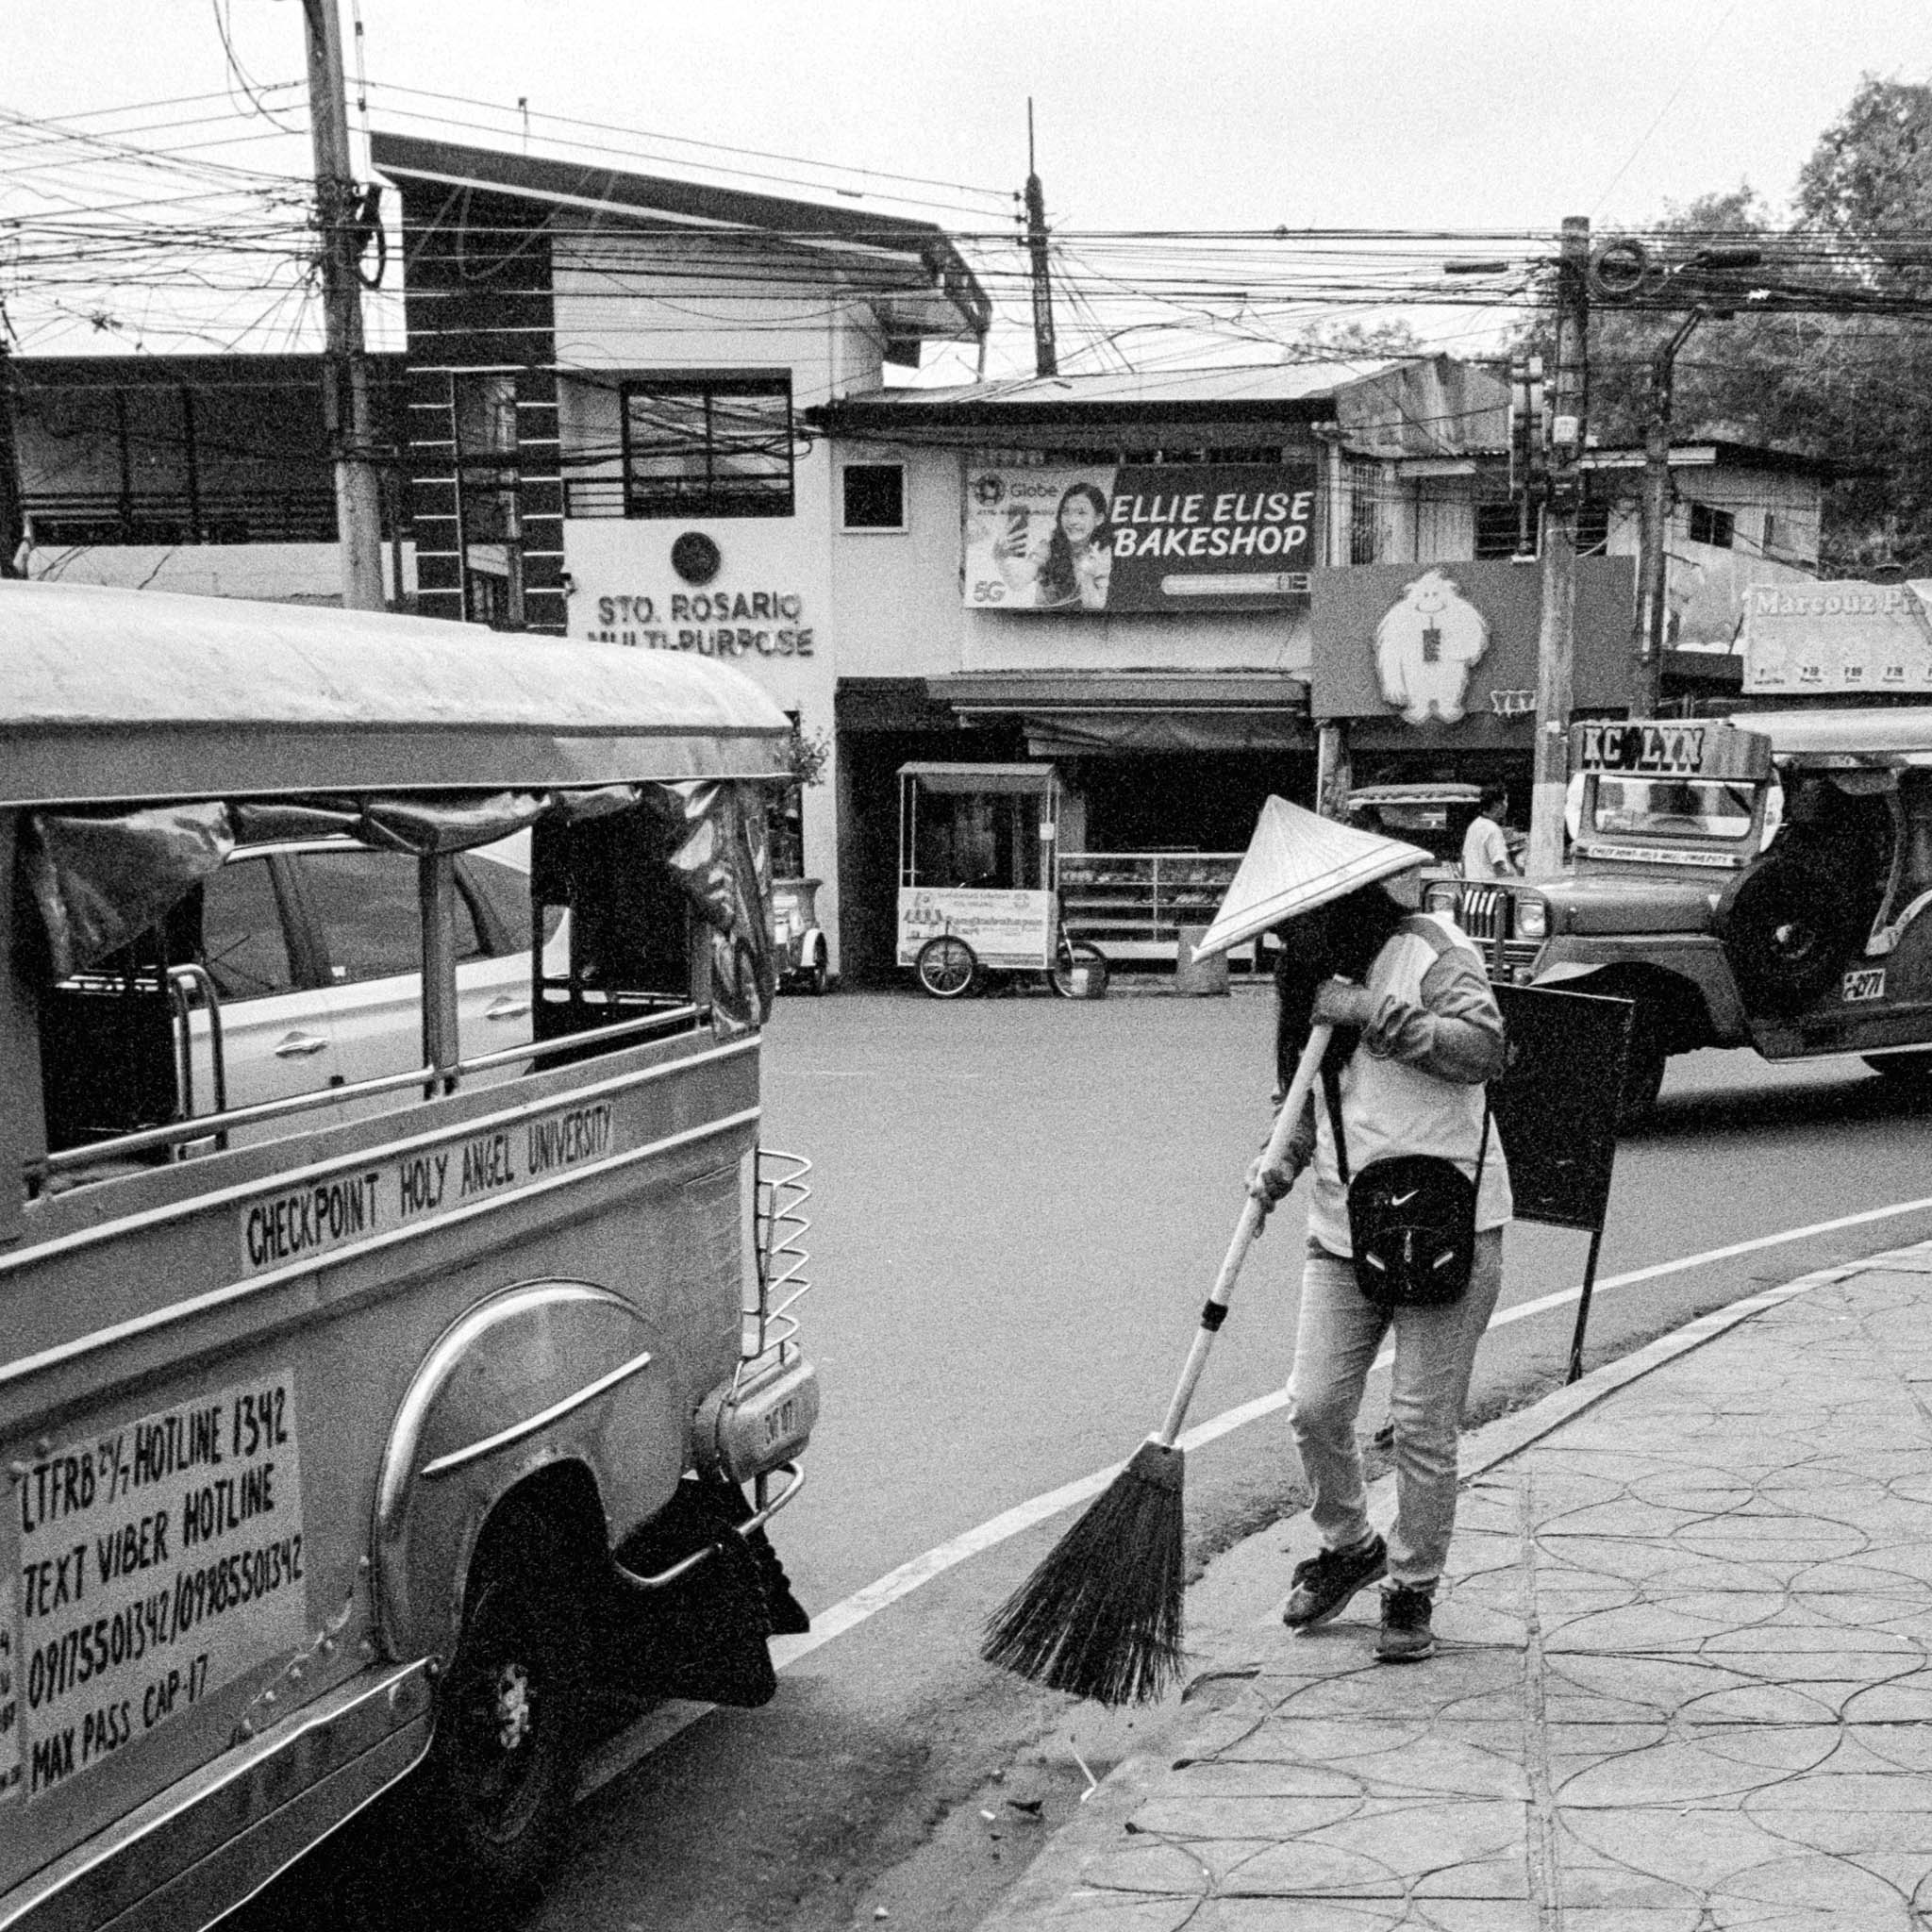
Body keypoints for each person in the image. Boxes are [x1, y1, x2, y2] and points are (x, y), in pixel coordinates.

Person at [1247, 873, 1511, 1663]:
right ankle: (1350, 1544)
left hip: (1445, 1221)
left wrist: (1369, 1012)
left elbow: (1485, 1049)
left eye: (1299, 926)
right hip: (1342, 1228)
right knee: (1315, 1405)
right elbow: (1301, 1101)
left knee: (1423, 1427)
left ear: (1339, 908)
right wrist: (1275, 1162)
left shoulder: (1432, 951)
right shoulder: (1303, 983)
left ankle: (1412, 1586)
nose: (1289, 945)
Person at [995, 482, 1112, 609]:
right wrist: (1001, 557)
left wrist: (1088, 576)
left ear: (1099, 518)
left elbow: (1097, 605)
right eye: (1066, 512)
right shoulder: (1047, 549)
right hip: (1044, 623)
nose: (1072, 521)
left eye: (1081, 513)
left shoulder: (1105, 554)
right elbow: (1017, 583)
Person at [1460, 785, 1517, 879]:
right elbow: (1499, 865)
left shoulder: (1474, 825)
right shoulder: (1493, 829)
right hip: (1489, 890)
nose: (1507, 805)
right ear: (1497, 804)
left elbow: (1464, 859)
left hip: (1472, 889)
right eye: (1506, 801)